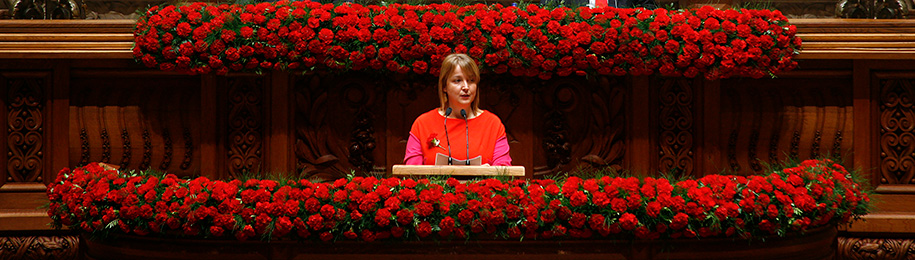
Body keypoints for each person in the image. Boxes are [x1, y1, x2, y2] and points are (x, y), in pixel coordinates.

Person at [403, 54, 512, 166]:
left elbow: (503, 170)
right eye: (457, 80)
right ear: (444, 86)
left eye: (471, 80)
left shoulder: (492, 124)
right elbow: (412, 172)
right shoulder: (423, 124)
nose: (466, 87)